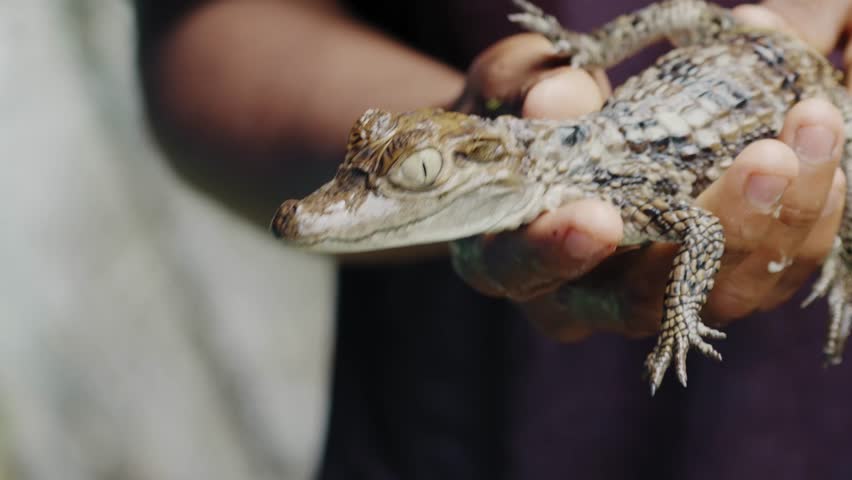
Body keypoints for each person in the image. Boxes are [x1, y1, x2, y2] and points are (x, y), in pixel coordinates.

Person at [137, 1, 852, 478]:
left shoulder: (611, 191)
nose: (323, 210)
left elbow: (693, 224)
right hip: (451, 422)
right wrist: (467, 108)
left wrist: (679, 319)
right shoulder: (563, 184)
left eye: (416, 172)